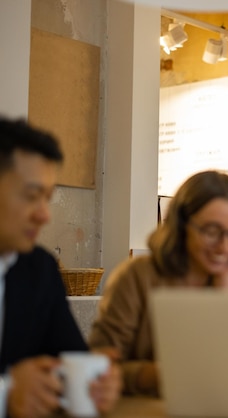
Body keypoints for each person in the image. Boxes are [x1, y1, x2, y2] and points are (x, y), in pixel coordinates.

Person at [89, 170, 228, 396]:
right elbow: (97, 367)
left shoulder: (227, 278)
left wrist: (226, 285)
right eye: (211, 231)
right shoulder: (137, 276)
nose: (225, 248)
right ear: (181, 227)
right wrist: (159, 374)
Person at [0, 117, 121, 418]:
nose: (44, 215)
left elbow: (71, 359)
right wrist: (6, 395)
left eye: (47, 198)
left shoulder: (39, 269)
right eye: (31, 196)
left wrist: (98, 383)